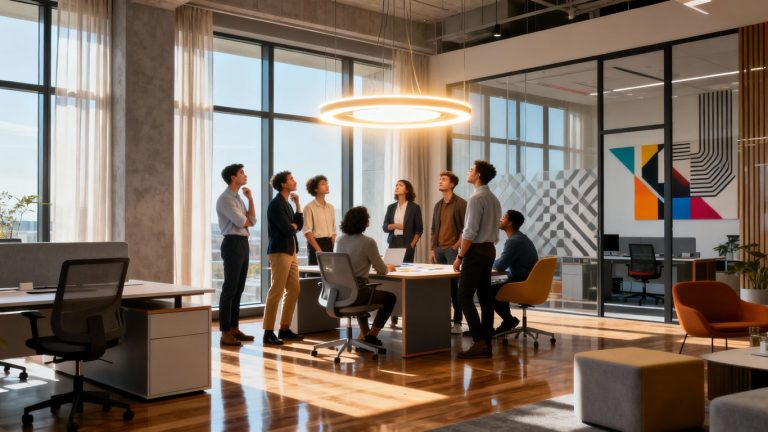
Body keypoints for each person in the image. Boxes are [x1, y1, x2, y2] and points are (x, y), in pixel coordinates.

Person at [453, 160, 501, 359]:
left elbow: (470, 232)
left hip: (476, 251)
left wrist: (459, 257)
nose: (468, 171)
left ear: (478, 175)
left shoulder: (475, 198)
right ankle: (487, 342)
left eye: (471, 169)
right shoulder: (494, 198)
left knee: (463, 296)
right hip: (489, 250)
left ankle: (479, 342)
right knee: (485, 297)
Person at [335, 206, 397, 348]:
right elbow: (381, 270)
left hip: (339, 293)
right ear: (362, 221)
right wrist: (389, 267)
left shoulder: (339, 240)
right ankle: (372, 336)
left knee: (363, 293)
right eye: (367, 217)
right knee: (390, 298)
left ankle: (365, 334)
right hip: (357, 293)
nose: (369, 219)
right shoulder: (368, 242)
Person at [216, 163, 257, 347]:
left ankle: (234, 328)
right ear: (233, 177)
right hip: (232, 243)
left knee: (239, 288)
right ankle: (225, 333)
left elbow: (252, 221)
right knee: (230, 288)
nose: (245, 175)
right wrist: (246, 220)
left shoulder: (239, 198)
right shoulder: (226, 199)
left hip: (242, 242)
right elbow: (242, 221)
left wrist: (251, 199)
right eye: (242, 173)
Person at [264, 171, 305, 345]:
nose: (294, 181)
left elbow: (298, 226)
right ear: (283, 184)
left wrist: (298, 205)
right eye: (291, 179)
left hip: (291, 250)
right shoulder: (275, 205)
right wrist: (293, 226)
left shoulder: (287, 204)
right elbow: (287, 229)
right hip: (280, 250)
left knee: (294, 289)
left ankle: (284, 328)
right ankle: (268, 332)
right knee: (277, 291)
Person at [429, 171, 467, 335]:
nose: (440, 181)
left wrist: (456, 246)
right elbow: (433, 229)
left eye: (444, 179)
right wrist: (432, 249)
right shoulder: (438, 205)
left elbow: (466, 228)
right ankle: (444, 320)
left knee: (454, 288)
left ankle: (457, 322)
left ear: (452, 184)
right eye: (440, 179)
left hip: (452, 251)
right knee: (441, 288)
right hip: (438, 250)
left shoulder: (460, 203)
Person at [491, 210, 539, 335]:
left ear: (510, 223)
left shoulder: (514, 241)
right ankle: (508, 320)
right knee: (494, 283)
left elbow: (501, 265)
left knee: (487, 287)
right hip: (527, 280)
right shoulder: (521, 237)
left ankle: (507, 321)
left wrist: (488, 262)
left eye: (503, 217)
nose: (500, 219)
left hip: (521, 280)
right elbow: (503, 263)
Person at [382, 179, 424, 263]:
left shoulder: (414, 207)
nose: (397, 187)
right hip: (393, 241)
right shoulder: (391, 207)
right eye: (396, 185)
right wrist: (397, 226)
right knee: (391, 267)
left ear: (407, 190)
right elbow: (385, 227)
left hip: (407, 242)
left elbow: (419, 230)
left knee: (406, 269)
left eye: (400, 185)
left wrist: (412, 244)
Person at [303, 175, 336, 265]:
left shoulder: (331, 207)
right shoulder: (309, 207)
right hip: (316, 244)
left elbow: (333, 231)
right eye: (323, 184)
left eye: (326, 183)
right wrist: (319, 251)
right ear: (315, 189)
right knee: (315, 275)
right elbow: (307, 232)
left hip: (329, 244)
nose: (327, 186)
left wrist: (333, 247)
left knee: (329, 275)